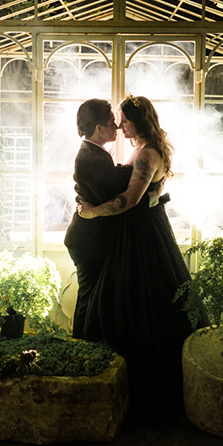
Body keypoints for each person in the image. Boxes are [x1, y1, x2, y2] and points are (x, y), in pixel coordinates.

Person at [77, 95, 197, 411]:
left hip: (143, 234)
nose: (121, 126)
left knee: (147, 303)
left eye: (126, 121)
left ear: (138, 122)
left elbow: (129, 200)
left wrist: (92, 213)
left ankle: (150, 388)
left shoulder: (147, 155)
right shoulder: (139, 151)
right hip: (137, 229)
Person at [64, 99, 137, 339]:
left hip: (88, 237)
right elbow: (114, 191)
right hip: (88, 241)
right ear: (98, 129)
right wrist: (140, 160)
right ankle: (81, 345)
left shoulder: (94, 153)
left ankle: (85, 344)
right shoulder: (91, 157)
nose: (117, 128)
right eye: (112, 123)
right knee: (89, 296)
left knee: (91, 294)